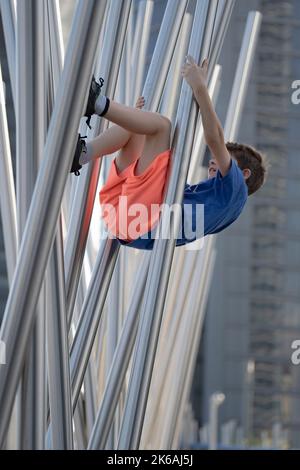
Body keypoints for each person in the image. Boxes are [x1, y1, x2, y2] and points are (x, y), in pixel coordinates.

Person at [70, 55, 267, 250]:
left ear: (244, 173)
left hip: (138, 220)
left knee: (162, 126)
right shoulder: (207, 196)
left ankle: (95, 103)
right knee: (141, 122)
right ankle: (82, 154)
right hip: (122, 210)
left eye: (223, 157)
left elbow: (215, 139)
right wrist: (135, 118)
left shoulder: (236, 191)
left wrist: (200, 88)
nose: (214, 161)